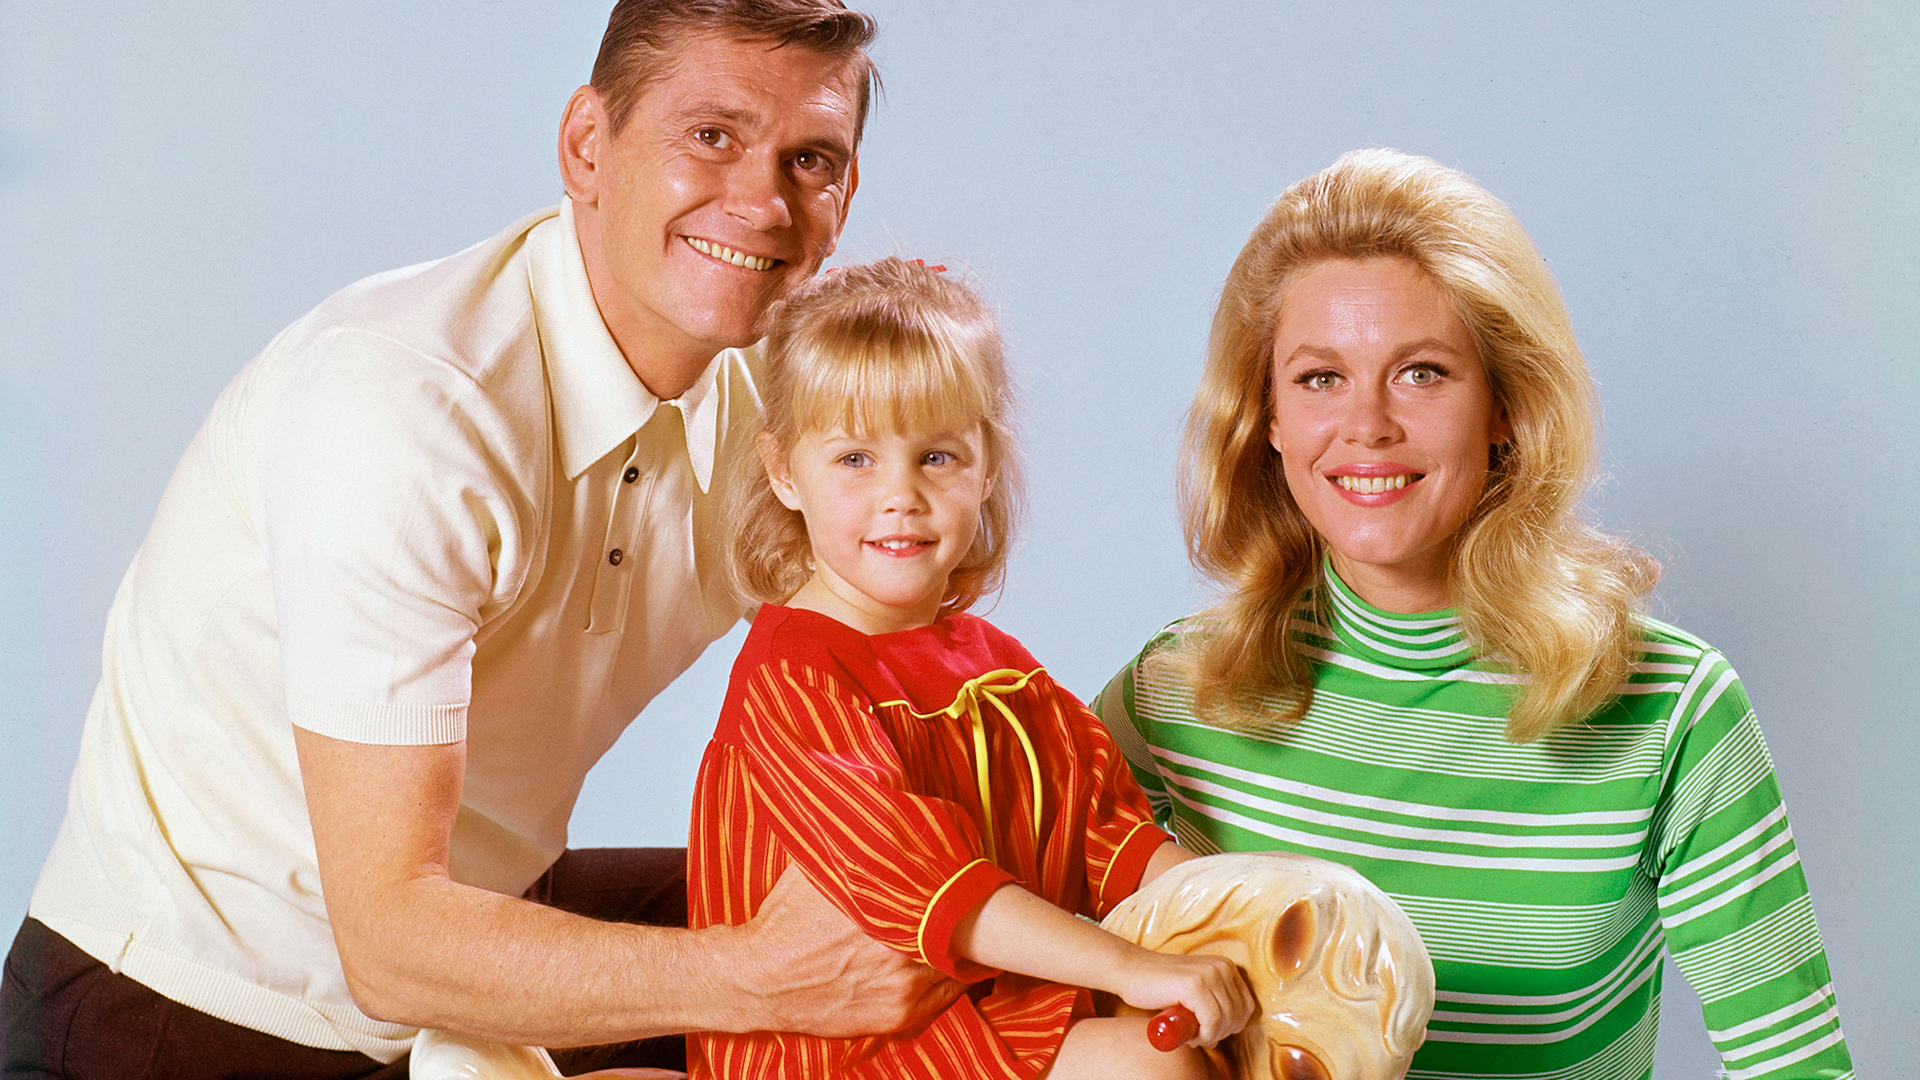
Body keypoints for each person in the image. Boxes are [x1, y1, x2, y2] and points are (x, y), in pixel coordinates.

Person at [1, 2, 957, 1076]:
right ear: (587, 146)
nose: (763, 202)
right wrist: (763, 976)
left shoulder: (774, 411)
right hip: (184, 1016)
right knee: (816, 969)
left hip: (465, 950)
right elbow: (390, 942)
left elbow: (921, 686)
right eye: (711, 135)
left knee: (932, 921)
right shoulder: (408, 405)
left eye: (811, 160)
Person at [1094, 149, 1855, 1080]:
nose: (1367, 425)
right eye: (1320, 378)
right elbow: (997, 994)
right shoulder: (1172, 696)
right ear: (1269, 419)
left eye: (1422, 373)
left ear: (1506, 407)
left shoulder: (1671, 712)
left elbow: (1796, 1067)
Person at [686, 258, 1255, 1079]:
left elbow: (1111, 838)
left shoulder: (1000, 671)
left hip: (988, 1010)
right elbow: (934, 890)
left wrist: (1241, 916)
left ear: (987, 464)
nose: (901, 495)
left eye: (937, 456)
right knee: (1150, 1064)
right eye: (855, 459)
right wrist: (1131, 968)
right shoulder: (794, 680)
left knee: (1217, 1033)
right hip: (853, 1045)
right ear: (783, 472)